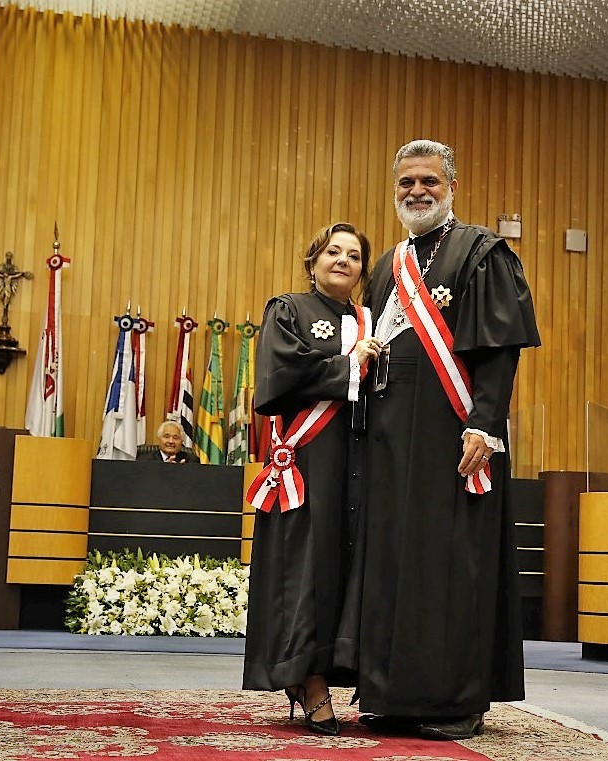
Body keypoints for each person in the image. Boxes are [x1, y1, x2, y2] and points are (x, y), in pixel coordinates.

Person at [358, 139, 540, 741]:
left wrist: (484, 425)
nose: (417, 191)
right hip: (389, 438)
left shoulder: (482, 252)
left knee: (452, 563)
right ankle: (392, 693)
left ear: (452, 187)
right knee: (393, 561)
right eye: (406, 182)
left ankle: (455, 700)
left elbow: (499, 349)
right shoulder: (386, 265)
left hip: (453, 435)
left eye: (428, 181)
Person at [242, 222, 381, 736]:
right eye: (332, 251)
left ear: (364, 270)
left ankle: (353, 675)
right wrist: (349, 364)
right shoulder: (289, 311)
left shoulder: (372, 323)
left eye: (353, 255)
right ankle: (307, 676)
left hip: (361, 465)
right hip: (310, 458)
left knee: (348, 570)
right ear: (313, 260)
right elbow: (279, 378)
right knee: (308, 571)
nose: (342, 260)